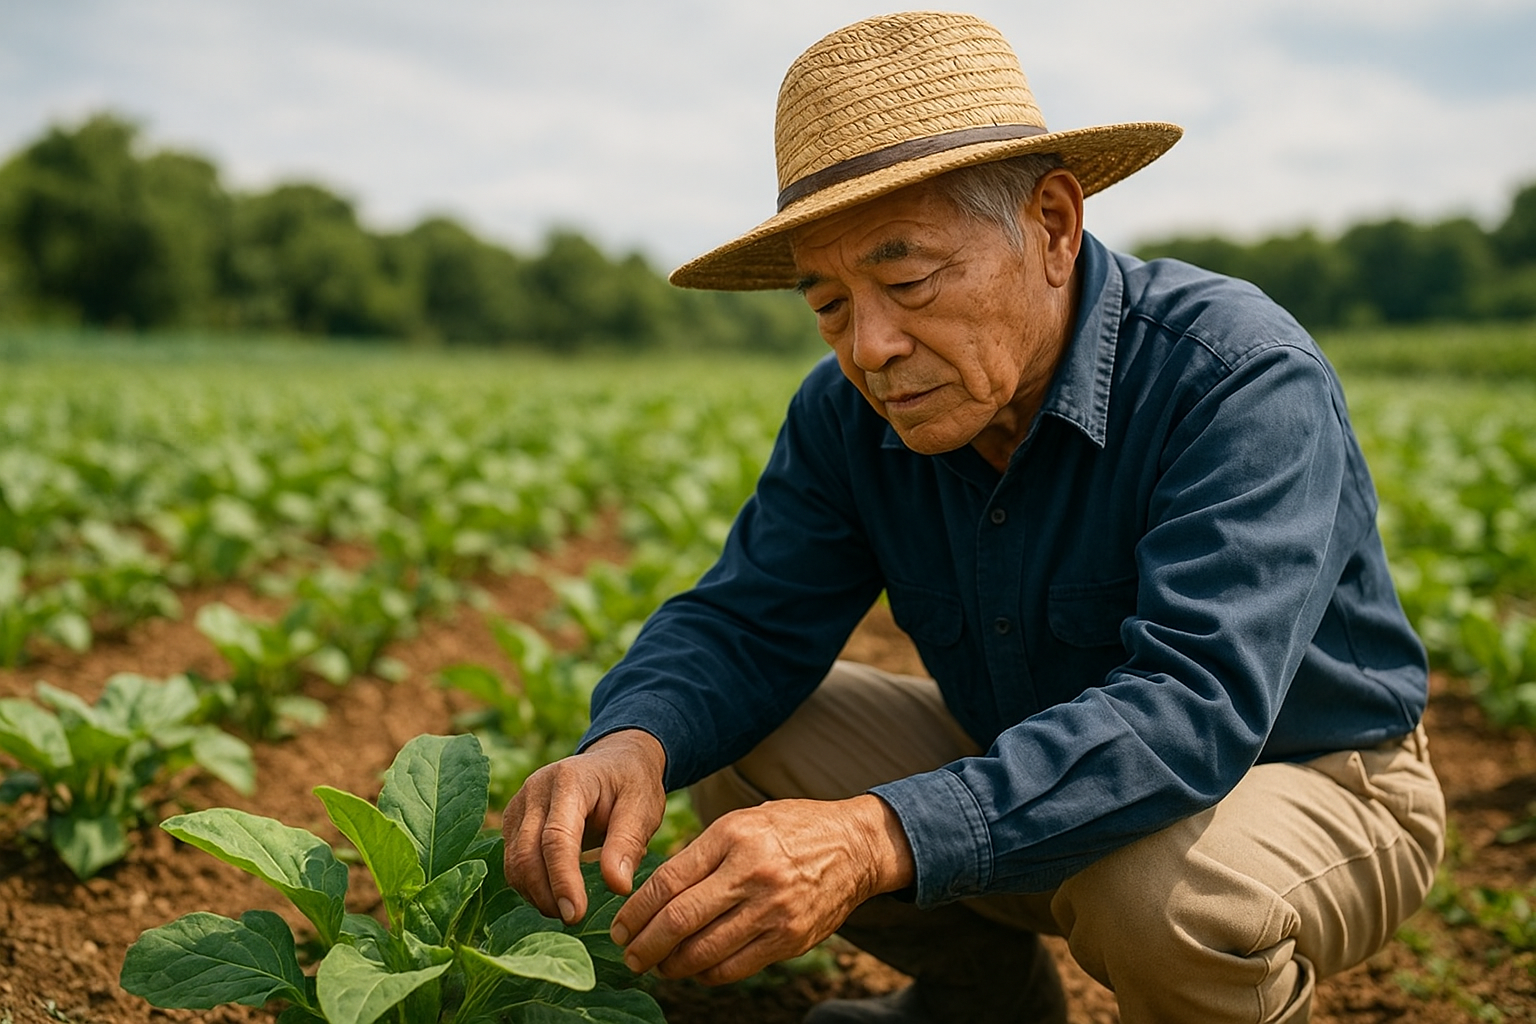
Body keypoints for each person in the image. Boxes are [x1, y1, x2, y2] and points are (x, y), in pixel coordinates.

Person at [501, 11, 1445, 1023]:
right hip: (1039, 765)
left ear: (1051, 225)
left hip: (1313, 783)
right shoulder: (845, 413)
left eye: (907, 280)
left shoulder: (1235, 378)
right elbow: (745, 621)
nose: (869, 346)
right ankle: (983, 1004)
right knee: (729, 738)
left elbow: (1194, 708)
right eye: (828, 304)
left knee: (1158, 895)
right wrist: (630, 740)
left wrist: (870, 836)